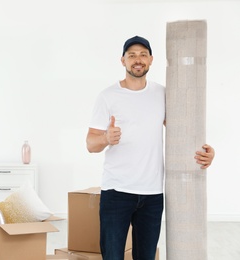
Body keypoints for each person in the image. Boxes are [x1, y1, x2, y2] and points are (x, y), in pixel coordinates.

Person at [86, 36, 215, 260]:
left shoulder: (163, 94)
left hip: (153, 194)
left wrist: (207, 152)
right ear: (122, 61)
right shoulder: (108, 96)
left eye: (143, 54)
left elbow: (182, 133)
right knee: (112, 256)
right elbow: (90, 144)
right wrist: (106, 137)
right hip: (117, 192)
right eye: (132, 55)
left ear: (151, 60)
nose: (138, 60)